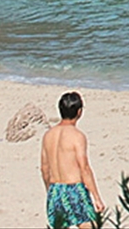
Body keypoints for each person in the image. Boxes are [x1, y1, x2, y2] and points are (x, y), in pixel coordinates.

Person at [40, 91, 104, 229]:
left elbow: (44, 168)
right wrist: (96, 197)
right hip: (74, 188)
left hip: (55, 188)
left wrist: (50, 190)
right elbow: (84, 168)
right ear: (79, 112)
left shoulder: (48, 135)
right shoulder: (77, 136)